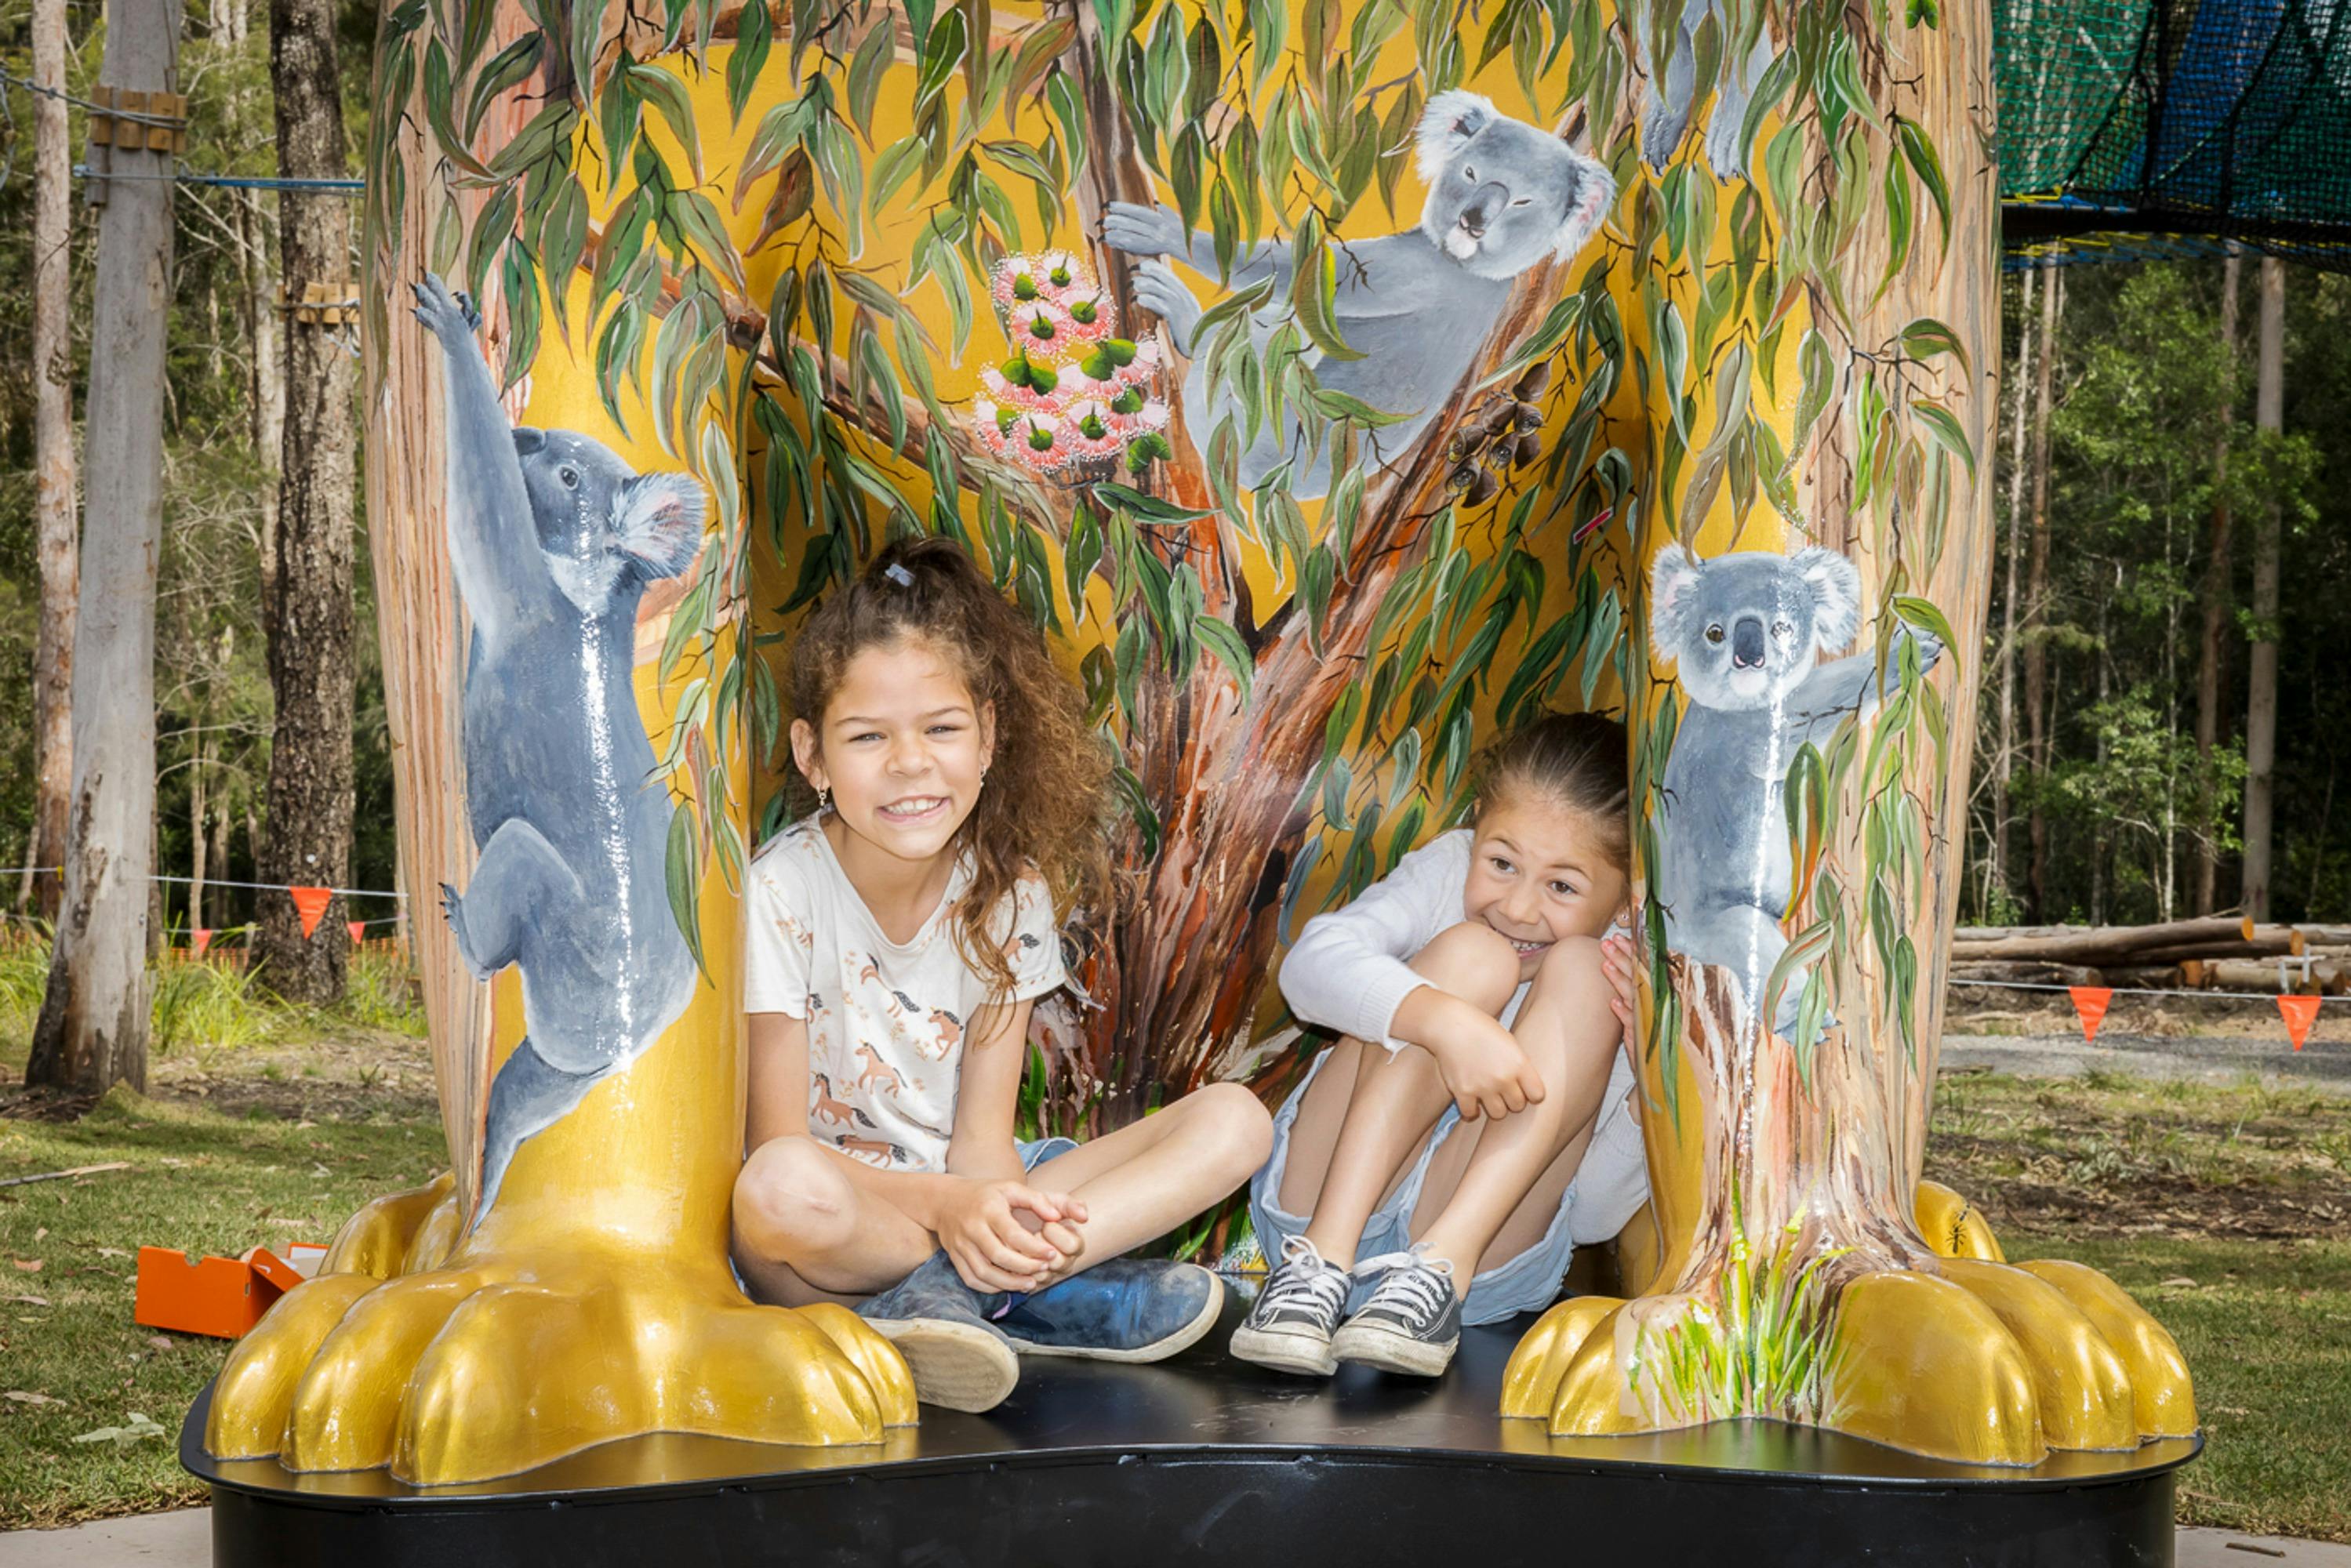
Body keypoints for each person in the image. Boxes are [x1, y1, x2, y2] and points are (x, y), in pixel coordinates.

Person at [731, 536, 1273, 1413]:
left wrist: (980, 1207)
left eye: (942, 729)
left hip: (973, 1195)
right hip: (843, 1229)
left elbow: (983, 1143)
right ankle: (1043, 1294)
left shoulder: (1009, 894)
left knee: (1236, 1120)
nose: (910, 762)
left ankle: (961, 1297)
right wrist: (951, 1209)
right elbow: (778, 1143)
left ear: (988, 736)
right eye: (867, 737)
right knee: (778, 1190)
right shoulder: (780, 893)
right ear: (812, 754)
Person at [1230, 713, 1648, 1378]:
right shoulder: (1450, 869)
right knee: (1474, 955)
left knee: (1586, 971)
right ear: (1478, 828)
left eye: (1562, 886)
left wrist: (1646, 1086)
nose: (1518, 908)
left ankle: (1438, 1273)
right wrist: (1442, 1021)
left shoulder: (1624, 971)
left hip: (1480, 1268)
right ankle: (1321, 1265)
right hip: (1320, 1204)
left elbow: (1592, 1218)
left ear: (1626, 899)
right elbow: (1309, 968)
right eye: (1502, 863)